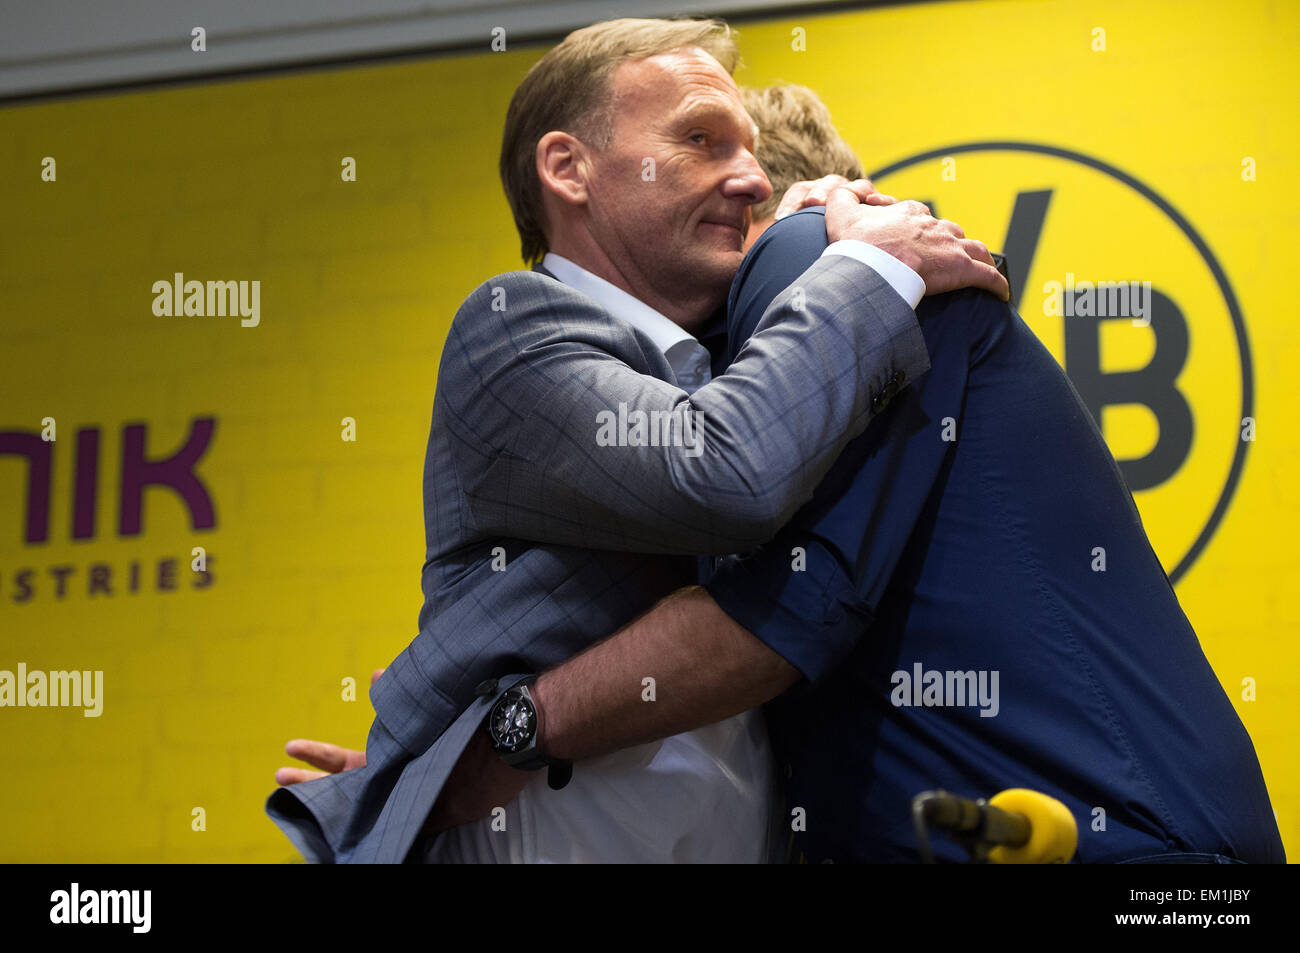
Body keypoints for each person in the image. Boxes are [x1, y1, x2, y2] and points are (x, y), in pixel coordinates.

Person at [399, 82, 1285, 864]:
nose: (734, 181)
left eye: (740, 157)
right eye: (700, 144)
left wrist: (506, 737)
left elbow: (783, 613)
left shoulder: (824, 272)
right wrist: (409, 781)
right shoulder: (770, 354)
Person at [267, 20, 1006, 863]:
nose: (755, 177)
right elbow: (724, 475)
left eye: (754, 153)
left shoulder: (736, 359)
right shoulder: (514, 326)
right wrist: (863, 271)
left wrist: (799, 249)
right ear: (567, 168)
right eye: (700, 139)